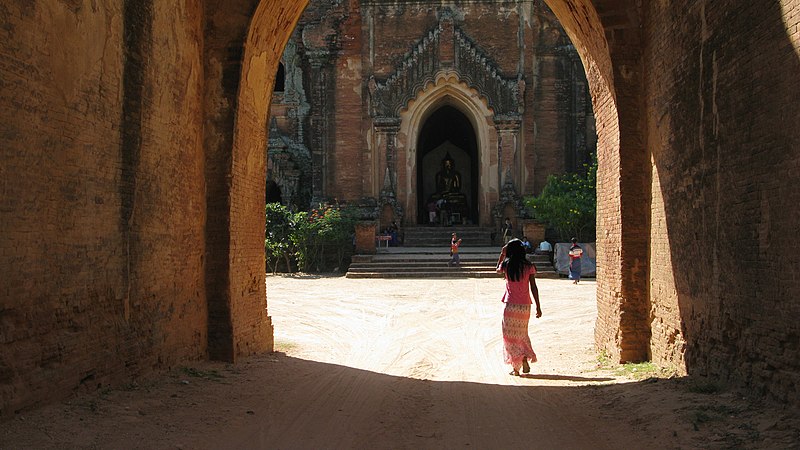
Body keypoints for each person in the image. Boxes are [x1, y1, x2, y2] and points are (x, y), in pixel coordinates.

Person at [496, 238, 541, 376]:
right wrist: (538, 306)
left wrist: (502, 255)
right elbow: (533, 287)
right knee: (522, 334)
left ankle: (516, 368)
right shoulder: (529, 266)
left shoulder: (506, 265)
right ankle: (524, 357)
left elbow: (497, 270)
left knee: (509, 336)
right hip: (524, 306)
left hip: (510, 305)